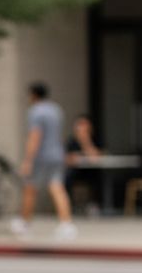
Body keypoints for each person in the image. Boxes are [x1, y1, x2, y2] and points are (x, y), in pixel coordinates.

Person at [10, 82, 77, 239]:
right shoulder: (56, 110)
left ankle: (24, 222)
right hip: (57, 154)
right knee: (57, 187)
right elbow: (58, 134)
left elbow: (35, 136)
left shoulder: (36, 112)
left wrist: (27, 160)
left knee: (30, 188)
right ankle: (66, 224)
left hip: (41, 156)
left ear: (33, 95)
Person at [65, 115, 104, 214]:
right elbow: (67, 159)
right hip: (76, 171)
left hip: (90, 170)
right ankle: (68, 205)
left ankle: (94, 204)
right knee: (66, 178)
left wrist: (85, 141)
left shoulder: (94, 139)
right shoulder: (72, 141)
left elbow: (95, 157)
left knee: (98, 177)